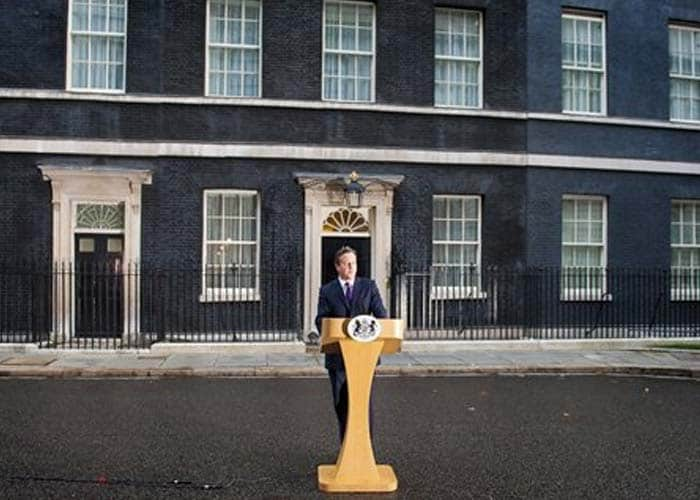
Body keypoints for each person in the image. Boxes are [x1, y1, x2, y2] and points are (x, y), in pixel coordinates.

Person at [315, 246, 387, 442]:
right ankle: (346, 446)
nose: (351, 267)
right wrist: (340, 328)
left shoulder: (369, 287)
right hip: (338, 356)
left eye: (353, 263)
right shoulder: (327, 290)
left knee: (363, 402)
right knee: (341, 402)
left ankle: (366, 448)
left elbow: (382, 317)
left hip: (365, 355)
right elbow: (320, 320)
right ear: (337, 266)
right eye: (346, 264)